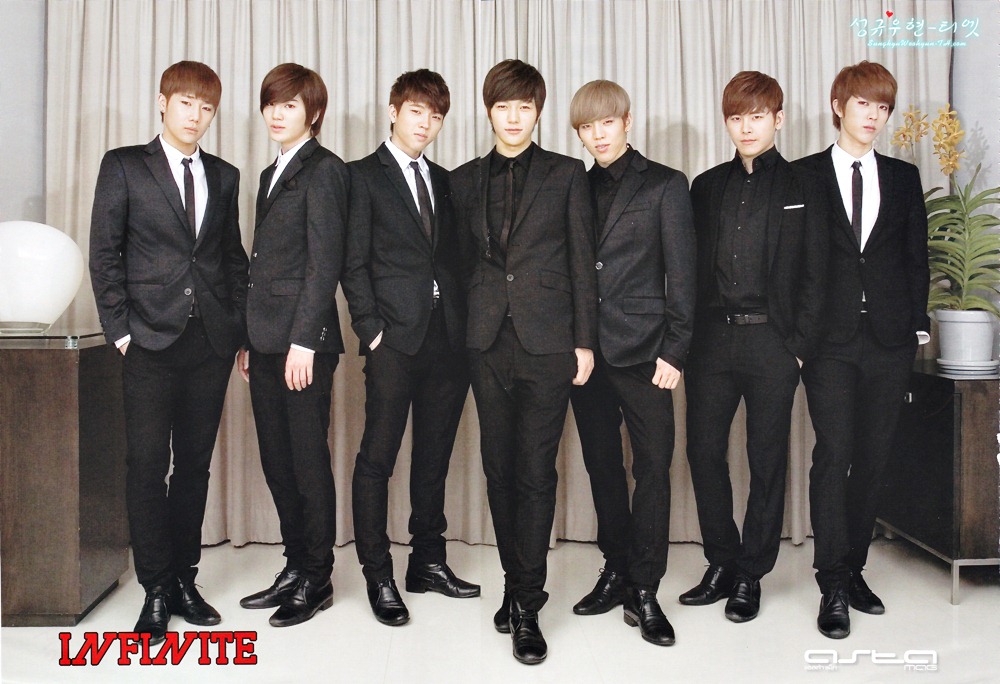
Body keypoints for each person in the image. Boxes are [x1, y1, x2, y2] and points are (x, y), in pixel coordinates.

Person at [89, 61, 249, 644]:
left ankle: (185, 579)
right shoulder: (125, 165)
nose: (196, 115)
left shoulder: (224, 176)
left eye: (206, 107)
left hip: (209, 343)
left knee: (195, 468)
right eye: (186, 103)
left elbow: (231, 258)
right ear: (163, 103)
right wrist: (121, 331)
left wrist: (239, 333)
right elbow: (104, 254)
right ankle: (154, 587)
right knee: (147, 466)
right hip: (148, 342)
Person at [451, 59, 598, 665]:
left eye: (525, 107)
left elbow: (582, 259)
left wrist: (584, 341)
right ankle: (514, 584)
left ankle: (528, 605)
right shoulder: (462, 180)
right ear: (489, 111)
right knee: (499, 470)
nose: (513, 118)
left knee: (536, 473)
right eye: (503, 107)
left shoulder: (567, 174)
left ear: (538, 112)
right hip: (486, 343)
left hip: (549, 342)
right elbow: (458, 265)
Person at [679, 71, 827, 625]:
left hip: (773, 341)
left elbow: (819, 272)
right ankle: (721, 561)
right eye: (736, 118)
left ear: (778, 119)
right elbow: (688, 269)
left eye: (757, 117)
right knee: (702, 452)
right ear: (727, 122)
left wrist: (798, 348)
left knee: (767, 460)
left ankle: (751, 573)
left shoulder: (804, 186)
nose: (746, 127)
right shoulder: (705, 186)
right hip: (712, 340)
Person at [796, 61, 929, 639]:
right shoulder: (804, 175)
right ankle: (831, 582)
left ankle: (854, 570)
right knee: (834, 453)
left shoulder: (902, 177)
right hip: (828, 341)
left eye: (882, 107)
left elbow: (916, 256)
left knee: (873, 457)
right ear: (838, 105)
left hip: (889, 341)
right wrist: (797, 338)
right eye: (863, 104)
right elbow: (791, 260)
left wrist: (917, 326)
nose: (873, 115)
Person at [341, 69, 477, 628]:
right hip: (393, 340)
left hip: (447, 341)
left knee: (434, 457)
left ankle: (428, 561)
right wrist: (371, 330)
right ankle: (379, 574)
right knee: (378, 457)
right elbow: (351, 262)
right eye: (417, 112)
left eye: (436, 116)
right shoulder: (360, 177)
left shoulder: (446, 181)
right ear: (394, 111)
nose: (426, 124)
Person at [566, 80, 695, 647]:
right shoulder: (572, 185)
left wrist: (676, 349)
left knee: (653, 468)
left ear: (627, 121)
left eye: (606, 123)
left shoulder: (665, 184)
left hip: (647, 353)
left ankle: (645, 588)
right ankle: (615, 567)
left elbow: (683, 274)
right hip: (586, 353)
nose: (597, 135)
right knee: (602, 466)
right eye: (586, 127)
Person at [236, 63, 347, 628]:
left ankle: (318, 577)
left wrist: (304, 340)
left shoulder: (326, 170)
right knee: (276, 460)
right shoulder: (268, 173)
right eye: (271, 104)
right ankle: (295, 564)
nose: (277, 114)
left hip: (305, 345)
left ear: (313, 113)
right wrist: (249, 339)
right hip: (264, 340)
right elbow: (263, 264)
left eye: (290, 105)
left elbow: (324, 262)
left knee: (307, 461)